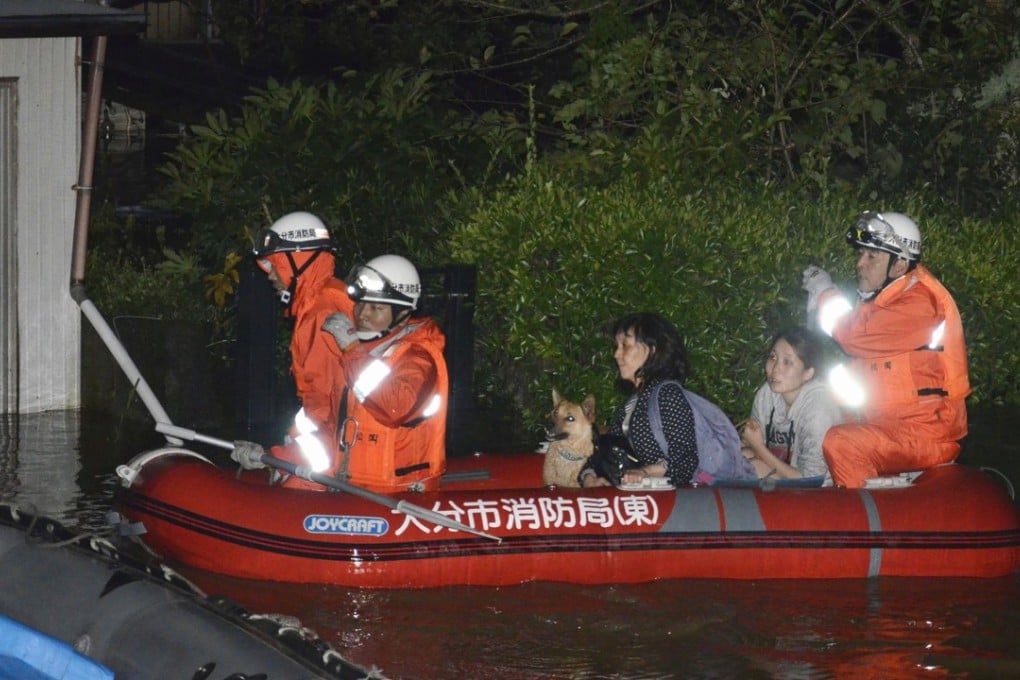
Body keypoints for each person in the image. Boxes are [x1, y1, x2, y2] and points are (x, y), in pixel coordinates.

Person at [801, 211, 970, 488]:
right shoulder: (882, 300)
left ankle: (864, 520)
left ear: (900, 265)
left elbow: (852, 334)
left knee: (841, 443)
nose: (860, 264)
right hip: (890, 425)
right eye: (861, 255)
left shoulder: (920, 303)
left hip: (927, 434)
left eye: (871, 257)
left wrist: (824, 292)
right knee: (823, 413)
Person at [316, 254, 449, 493]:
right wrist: (280, 455)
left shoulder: (418, 358)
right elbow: (333, 424)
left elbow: (394, 407)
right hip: (352, 486)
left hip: (398, 493)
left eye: (376, 307)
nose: (363, 314)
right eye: (360, 304)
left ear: (402, 313)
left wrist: (352, 350)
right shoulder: (358, 353)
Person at [579, 312, 701, 488]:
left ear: (652, 350)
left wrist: (645, 473)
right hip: (644, 503)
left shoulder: (668, 395)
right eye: (617, 346)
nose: (616, 354)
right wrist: (589, 477)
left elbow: (685, 460)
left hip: (672, 504)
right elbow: (609, 452)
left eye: (625, 345)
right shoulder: (632, 403)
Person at [739, 327, 843, 485]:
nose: (775, 369)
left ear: (808, 373)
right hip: (783, 477)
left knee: (751, 467)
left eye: (787, 362)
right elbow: (753, 445)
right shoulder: (766, 394)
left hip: (821, 491)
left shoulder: (819, 408)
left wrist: (758, 447)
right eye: (773, 357)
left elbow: (810, 480)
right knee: (738, 457)